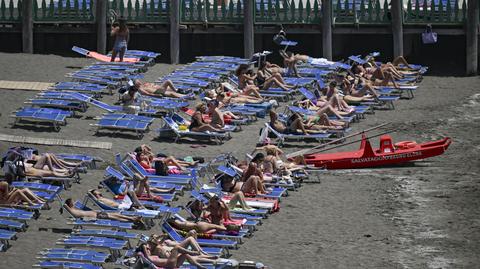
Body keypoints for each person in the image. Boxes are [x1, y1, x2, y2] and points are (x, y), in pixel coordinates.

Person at [139, 231, 217, 269]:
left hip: (173, 262)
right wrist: (145, 247)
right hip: (170, 263)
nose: (154, 240)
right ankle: (197, 253)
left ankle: (200, 265)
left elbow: (163, 237)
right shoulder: (150, 254)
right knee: (177, 247)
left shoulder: (157, 246)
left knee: (185, 254)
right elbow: (147, 254)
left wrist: (158, 237)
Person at [63, 198, 142, 223]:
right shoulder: (72, 211)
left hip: (97, 214)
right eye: (72, 202)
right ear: (69, 205)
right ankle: (132, 220)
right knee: (114, 217)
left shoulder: (75, 209)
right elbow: (65, 205)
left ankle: (132, 218)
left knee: (115, 214)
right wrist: (64, 204)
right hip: (95, 217)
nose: (73, 203)